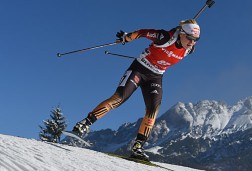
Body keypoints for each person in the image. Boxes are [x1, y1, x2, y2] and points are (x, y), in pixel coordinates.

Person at [72, 19, 201, 161]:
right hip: (139, 69)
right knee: (119, 98)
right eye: (189, 38)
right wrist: (127, 37)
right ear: (181, 33)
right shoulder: (165, 37)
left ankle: (138, 147)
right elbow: (142, 32)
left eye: (195, 39)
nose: (192, 42)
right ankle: (85, 123)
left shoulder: (190, 49)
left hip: (155, 77)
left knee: (153, 109)